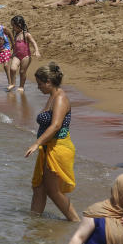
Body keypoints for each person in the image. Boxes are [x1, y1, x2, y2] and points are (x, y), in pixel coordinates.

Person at [25, 63, 78, 221]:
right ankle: (34, 223)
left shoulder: (61, 98)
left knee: (53, 191)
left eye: (40, 84)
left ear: (49, 82)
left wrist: (36, 143)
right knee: (39, 188)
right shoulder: (52, 96)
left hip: (59, 148)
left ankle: (76, 221)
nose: (38, 87)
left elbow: (56, 126)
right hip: (49, 148)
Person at [7, 15, 40, 92]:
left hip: (26, 56)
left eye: (14, 26)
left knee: (22, 71)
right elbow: (15, 46)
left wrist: (36, 50)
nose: (13, 28)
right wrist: (13, 53)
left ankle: (21, 86)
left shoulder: (27, 34)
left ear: (19, 25)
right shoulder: (16, 35)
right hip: (17, 55)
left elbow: (34, 42)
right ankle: (13, 83)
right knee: (12, 68)